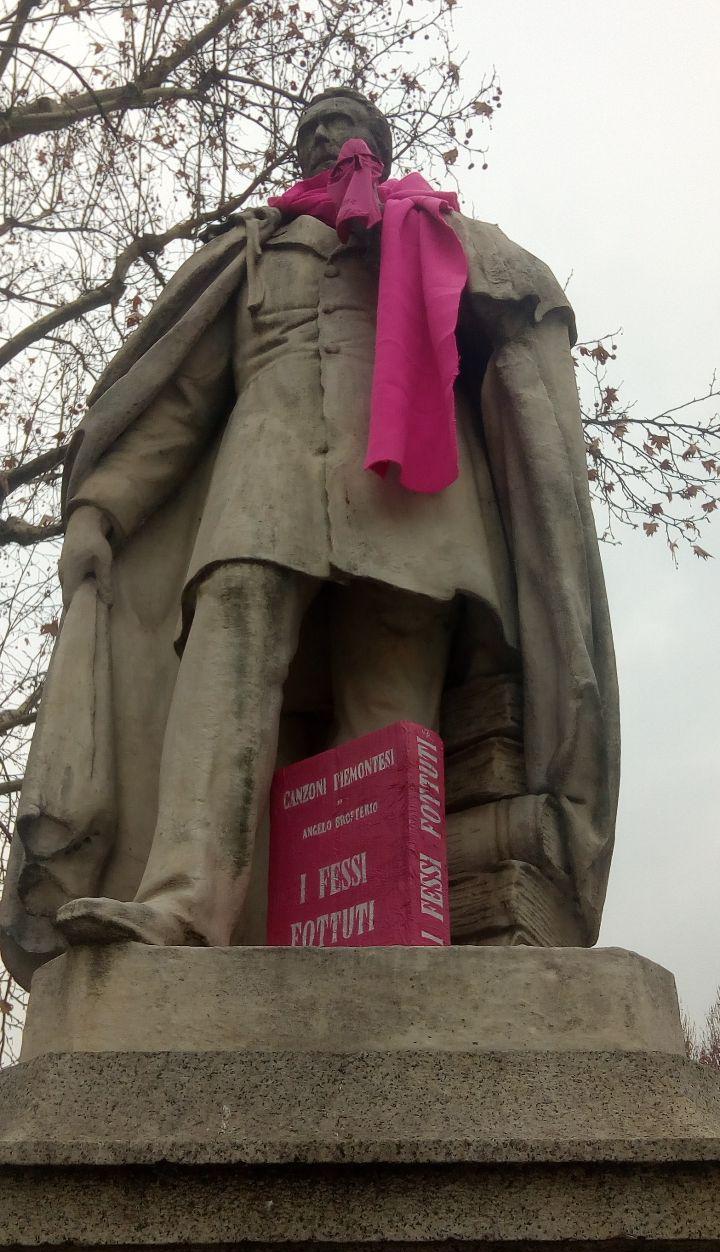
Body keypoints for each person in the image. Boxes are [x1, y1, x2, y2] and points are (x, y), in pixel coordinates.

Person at [0, 89, 619, 971]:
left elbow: (522, 319)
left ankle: (379, 943)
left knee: (388, 708)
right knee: (225, 666)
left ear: (378, 140)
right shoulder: (254, 250)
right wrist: (104, 508)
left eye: (342, 122)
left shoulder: (440, 232)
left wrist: (438, 240)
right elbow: (179, 404)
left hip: (417, 502)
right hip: (264, 483)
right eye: (310, 127)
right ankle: (184, 903)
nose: (325, 134)